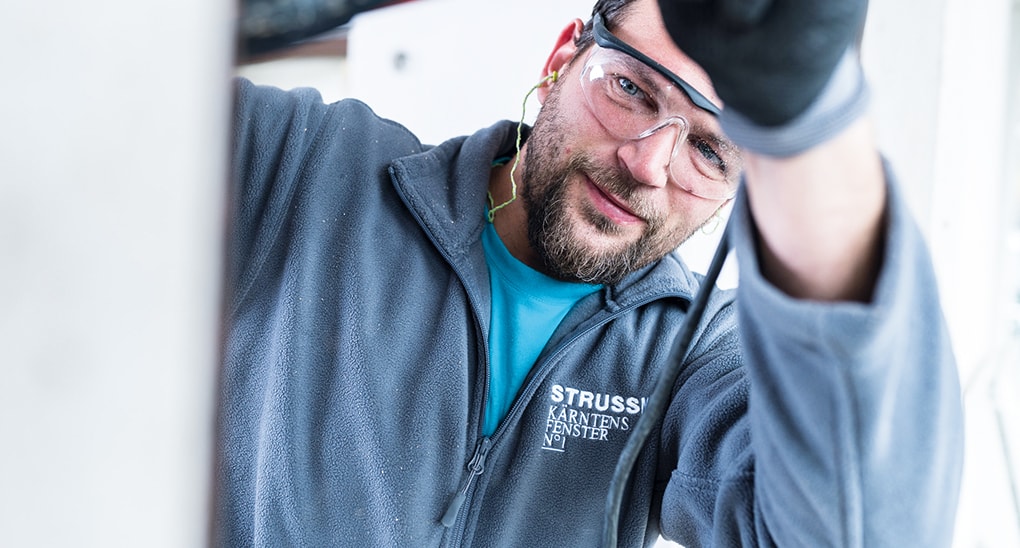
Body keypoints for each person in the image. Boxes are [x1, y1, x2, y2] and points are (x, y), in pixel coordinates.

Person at [216, 0, 964, 545]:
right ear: (561, 61)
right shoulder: (307, 165)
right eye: (632, 90)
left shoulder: (699, 353)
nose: (647, 163)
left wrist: (810, 130)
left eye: (710, 152)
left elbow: (860, 532)